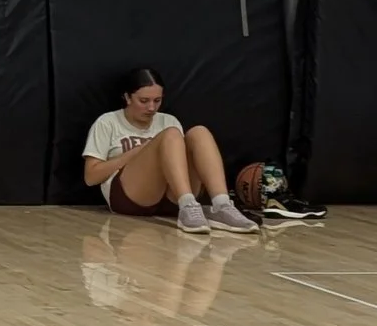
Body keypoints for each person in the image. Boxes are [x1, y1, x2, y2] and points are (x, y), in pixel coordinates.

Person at [82, 66, 256, 234]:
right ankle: (188, 204)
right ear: (127, 98)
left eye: (157, 101)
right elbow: (91, 177)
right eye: (144, 101)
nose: (151, 108)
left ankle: (221, 205)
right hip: (130, 197)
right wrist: (138, 151)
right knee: (171, 135)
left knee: (199, 132)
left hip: (171, 198)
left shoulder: (168, 120)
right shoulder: (108, 122)